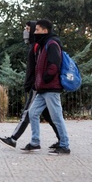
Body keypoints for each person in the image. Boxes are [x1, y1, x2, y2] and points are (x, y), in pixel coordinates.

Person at [0, 20, 60, 150]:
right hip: (38, 85)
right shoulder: (36, 45)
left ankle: (14, 138)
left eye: (28, 29)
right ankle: (58, 140)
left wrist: (35, 82)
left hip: (38, 86)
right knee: (47, 115)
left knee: (28, 112)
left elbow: (39, 67)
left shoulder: (39, 46)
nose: (26, 31)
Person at [22, 19, 71, 155]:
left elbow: (54, 65)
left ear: (45, 30)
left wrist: (44, 79)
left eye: (37, 30)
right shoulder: (43, 44)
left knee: (56, 117)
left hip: (51, 88)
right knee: (33, 113)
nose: (34, 32)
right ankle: (35, 142)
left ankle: (65, 145)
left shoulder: (52, 43)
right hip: (43, 88)